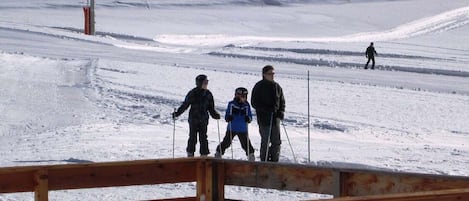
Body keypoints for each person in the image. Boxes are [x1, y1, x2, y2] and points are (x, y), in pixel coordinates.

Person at [172, 74, 221, 157]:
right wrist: (178, 113)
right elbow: (185, 105)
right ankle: (190, 153)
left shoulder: (208, 94)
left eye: (207, 82)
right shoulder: (193, 93)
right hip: (193, 119)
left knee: (203, 137)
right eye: (205, 82)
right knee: (192, 137)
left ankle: (204, 154)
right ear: (199, 83)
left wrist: (215, 115)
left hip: (204, 119)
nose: (206, 84)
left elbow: (211, 107)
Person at [251, 65, 285, 162]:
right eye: (270, 74)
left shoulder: (277, 86)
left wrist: (281, 112)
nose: (272, 75)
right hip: (264, 119)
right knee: (265, 141)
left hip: (275, 119)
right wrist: (266, 109)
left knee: (276, 142)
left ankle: (274, 160)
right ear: (264, 75)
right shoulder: (259, 86)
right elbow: (254, 102)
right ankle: (264, 160)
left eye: (273, 73)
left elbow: (282, 101)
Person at [214, 87, 255, 161]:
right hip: (232, 128)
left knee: (246, 144)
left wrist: (248, 119)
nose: (243, 98)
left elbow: (250, 116)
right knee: (226, 142)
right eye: (241, 96)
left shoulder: (246, 105)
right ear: (236, 95)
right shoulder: (232, 104)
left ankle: (251, 155)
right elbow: (227, 115)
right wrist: (228, 118)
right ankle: (218, 152)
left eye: (245, 96)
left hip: (242, 129)